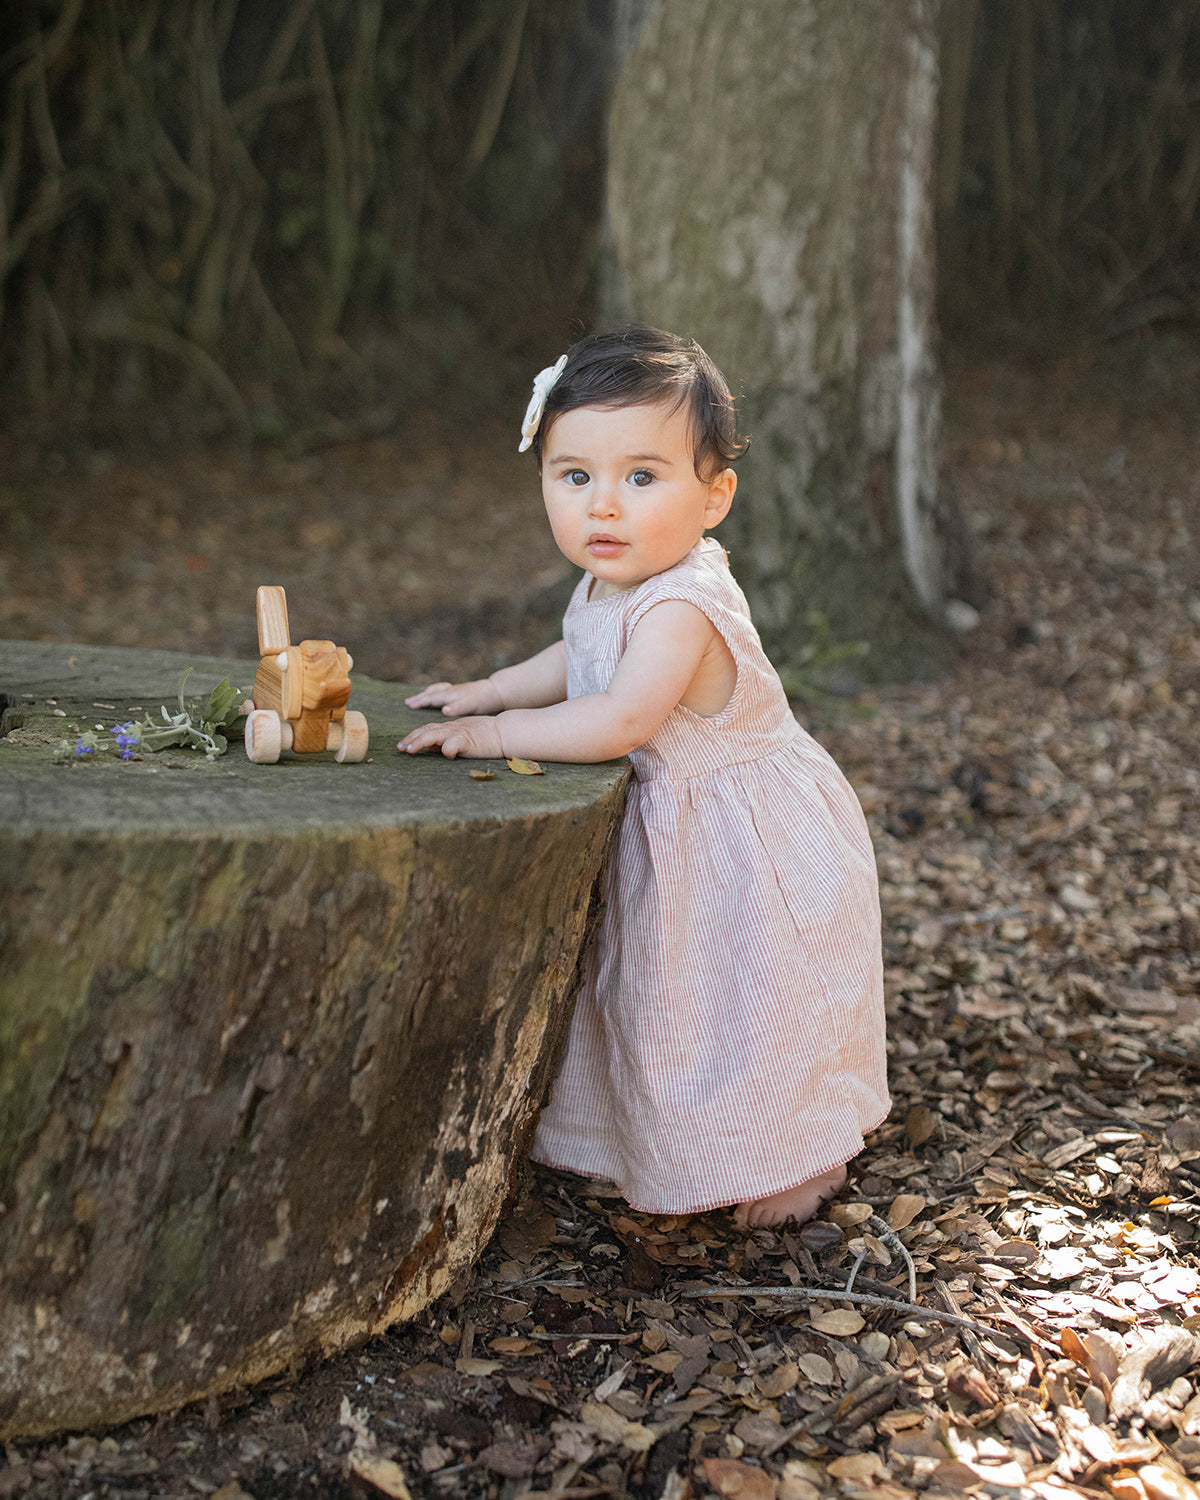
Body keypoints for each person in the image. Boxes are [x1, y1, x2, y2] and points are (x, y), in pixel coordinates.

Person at [399, 325, 888, 1226]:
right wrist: (492, 688)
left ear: (715, 497)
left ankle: (798, 1157)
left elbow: (621, 714)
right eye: (575, 476)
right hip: (679, 828)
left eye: (642, 476)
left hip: (747, 843)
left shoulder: (684, 605)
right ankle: (653, 1145)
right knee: (657, 1004)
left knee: (747, 1010)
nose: (605, 508)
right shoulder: (611, 585)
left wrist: (504, 730)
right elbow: (575, 653)